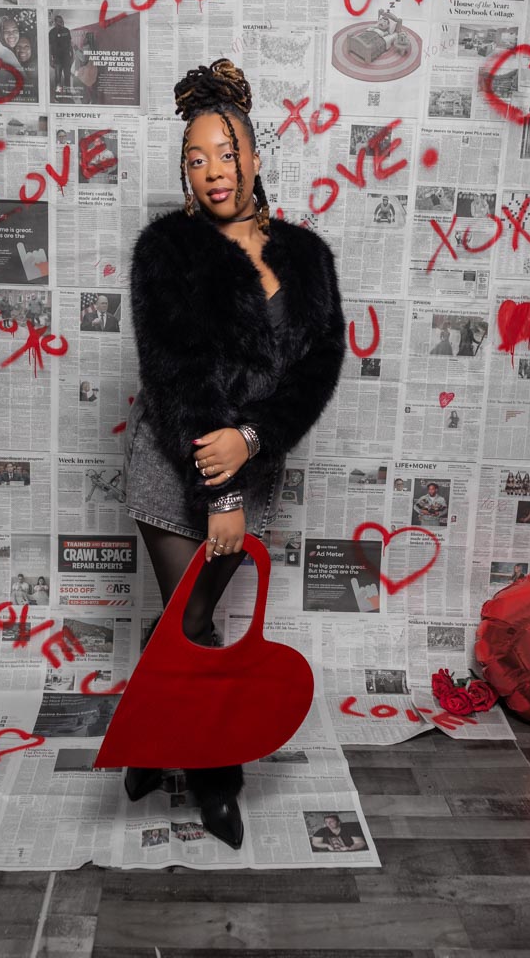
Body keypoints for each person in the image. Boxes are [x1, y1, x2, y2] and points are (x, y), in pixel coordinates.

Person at [119, 59, 345, 850]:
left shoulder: (306, 256)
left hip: (252, 464)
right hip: (172, 462)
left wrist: (249, 442)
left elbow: (317, 369)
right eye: (195, 158)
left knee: (184, 623)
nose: (212, 170)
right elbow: (178, 376)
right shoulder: (166, 250)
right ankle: (217, 783)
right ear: (184, 173)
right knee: (193, 624)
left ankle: (148, 742)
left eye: (225, 152)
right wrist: (218, 494)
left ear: (253, 157)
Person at [49, 14, 73, 94]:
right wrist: (50, 59)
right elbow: (50, 46)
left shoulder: (66, 30)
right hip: (57, 58)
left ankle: (67, 92)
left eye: (61, 21)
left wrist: (72, 55)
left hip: (66, 57)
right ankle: (58, 93)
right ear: (55, 22)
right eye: (59, 21)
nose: (61, 22)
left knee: (67, 76)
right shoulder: (51, 32)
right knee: (58, 78)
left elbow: (70, 44)